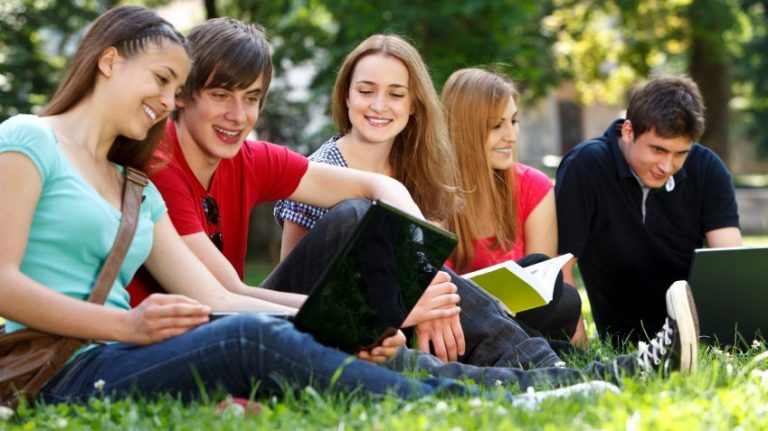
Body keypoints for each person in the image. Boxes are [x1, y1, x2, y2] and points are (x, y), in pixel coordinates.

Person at [123, 20, 698, 392]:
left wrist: (412, 275)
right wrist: (371, 309)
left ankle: (567, 376)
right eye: (220, 96)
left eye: (250, 99)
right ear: (184, 96)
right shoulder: (163, 163)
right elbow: (225, 295)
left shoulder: (247, 156)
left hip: (267, 312)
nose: (237, 116)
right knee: (362, 271)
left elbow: (375, 192)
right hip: (205, 332)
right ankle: (551, 379)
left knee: (384, 251)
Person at [0, 6, 483, 405]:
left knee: (306, 333)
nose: (168, 102)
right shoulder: (29, 138)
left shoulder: (135, 185)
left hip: (124, 356)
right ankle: (446, 401)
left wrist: (353, 327)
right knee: (249, 337)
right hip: (51, 371)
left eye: (175, 89)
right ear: (109, 61)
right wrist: (123, 324)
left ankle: (508, 387)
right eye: (163, 81)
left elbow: (217, 298)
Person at [555, 76, 742, 346]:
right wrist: (580, 352)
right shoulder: (586, 165)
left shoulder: (708, 168)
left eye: (680, 153)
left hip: (699, 333)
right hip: (624, 338)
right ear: (629, 131)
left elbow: (730, 265)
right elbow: (561, 268)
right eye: (658, 149)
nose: (667, 166)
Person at [440, 67, 585, 344]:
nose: (511, 135)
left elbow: (542, 290)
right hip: (456, 326)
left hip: (520, 319)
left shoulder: (533, 186)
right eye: (497, 125)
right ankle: (535, 353)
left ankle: (521, 351)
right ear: (465, 131)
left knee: (564, 297)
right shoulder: (432, 193)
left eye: (514, 121)